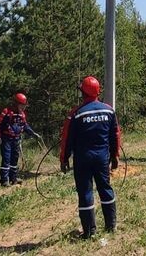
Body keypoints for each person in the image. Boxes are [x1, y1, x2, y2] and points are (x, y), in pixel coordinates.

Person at [59, 76, 122, 239]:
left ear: (83, 92)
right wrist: (115, 156)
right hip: (102, 158)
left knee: (86, 192)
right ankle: (111, 225)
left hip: (83, 159)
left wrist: (64, 159)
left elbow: (67, 139)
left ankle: (89, 231)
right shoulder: (108, 110)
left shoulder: (76, 113)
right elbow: (115, 135)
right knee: (105, 188)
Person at [0, 93, 41, 186]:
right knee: (6, 158)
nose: (23, 107)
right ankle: (4, 180)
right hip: (6, 139)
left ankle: (13, 178)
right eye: (22, 105)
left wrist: (33, 133)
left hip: (16, 139)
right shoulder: (6, 112)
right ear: (16, 104)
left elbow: (25, 125)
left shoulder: (22, 115)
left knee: (14, 159)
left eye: (24, 106)